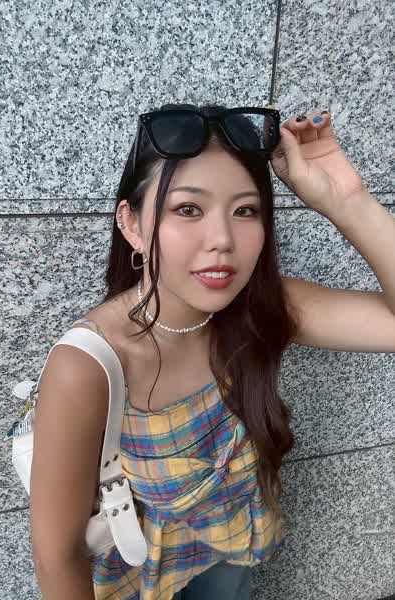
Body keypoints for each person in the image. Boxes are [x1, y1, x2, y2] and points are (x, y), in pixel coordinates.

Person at [29, 103, 395, 600]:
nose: (222, 240)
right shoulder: (89, 364)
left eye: (245, 211)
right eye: (188, 209)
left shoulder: (261, 308)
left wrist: (347, 200)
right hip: (138, 580)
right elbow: (57, 557)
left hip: (229, 554)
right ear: (132, 223)